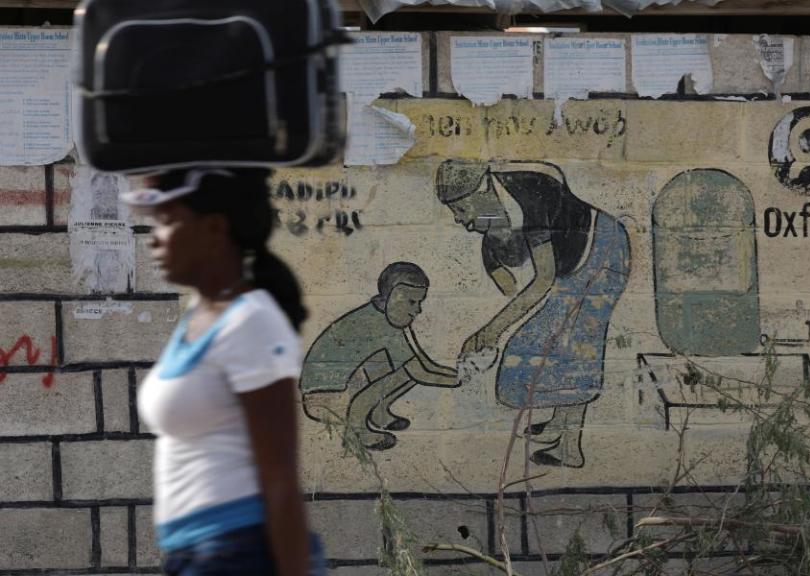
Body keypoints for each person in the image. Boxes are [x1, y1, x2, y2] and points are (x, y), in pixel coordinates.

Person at [124, 168, 324, 576]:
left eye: (167, 221)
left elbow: (280, 474)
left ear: (215, 227)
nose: (153, 238)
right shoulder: (202, 317)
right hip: (196, 552)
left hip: (237, 553)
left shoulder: (251, 322)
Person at [437, 160, 631, 468]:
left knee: (576, 348)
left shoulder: (527, 196)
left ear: (482, 191)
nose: (460, 220)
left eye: (461, 209)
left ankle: (569, 449)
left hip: (603, 251)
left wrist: (491, 330)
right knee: (561, 343)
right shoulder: (499, 204)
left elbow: (543, 280)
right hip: (577, 262)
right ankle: (559, 425)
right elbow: (512, 270)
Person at [300, 262, 457, 450]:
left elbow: (423, 363)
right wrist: (459, 380)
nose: (418, 310)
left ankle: (379, 413)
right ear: (393, 296)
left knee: (404, 366)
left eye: (419, 303)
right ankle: (359, 430)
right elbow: (419, 372)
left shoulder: (381, 316)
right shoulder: (380, 324)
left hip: (331, 394)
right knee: (406, 370)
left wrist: (458, 374)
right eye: (412, 302)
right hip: (325, 401)